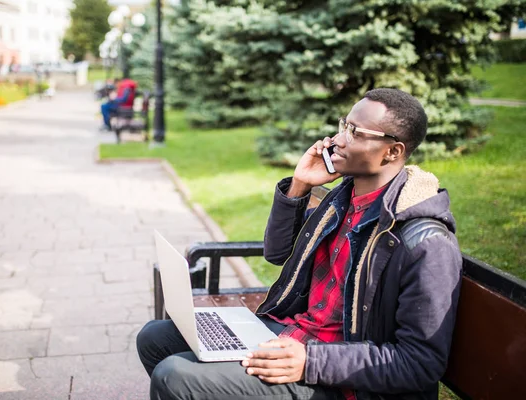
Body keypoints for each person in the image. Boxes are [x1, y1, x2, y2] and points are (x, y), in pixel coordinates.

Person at [137, 88, 462, 400]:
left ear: (393, 151)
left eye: (355, 133)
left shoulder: (426, 243)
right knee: (154, 338)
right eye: (343, 126)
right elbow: (276, 254)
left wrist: (310, 362)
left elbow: (420, 363)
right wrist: (300, 184)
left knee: (173, 377)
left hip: (340, 377)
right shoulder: (344, 197)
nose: (337, 140)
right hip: (294, 336)